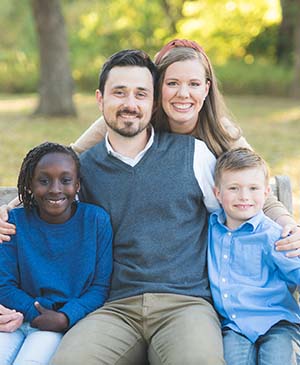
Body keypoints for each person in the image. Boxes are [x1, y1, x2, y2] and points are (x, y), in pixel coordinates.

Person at [49, 49, 226, 365]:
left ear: (154, 103)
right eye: (119, 92)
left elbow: (235, 217)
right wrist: (9, 210)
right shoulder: (81, 171)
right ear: (100, 100)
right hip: (114, 308)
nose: (130, 104)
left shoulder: (194, 155)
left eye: (141, 94)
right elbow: (43, 227)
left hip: (185, 306)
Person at [62, 39, 300, 255]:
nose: (183, 94)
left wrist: (286, 222)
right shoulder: (132, 117)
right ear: (157, 88)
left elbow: (255, 184)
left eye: (194, 84)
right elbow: (69, 158)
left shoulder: (221, 131)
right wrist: (26, 198)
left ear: (206, 89)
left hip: (201, 246)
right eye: (173, 83)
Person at [0, 142, 113, 365]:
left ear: (78, 184)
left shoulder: (96, 221)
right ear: (29, 185)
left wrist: (65, 317)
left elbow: (100, 287)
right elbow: (5, 284)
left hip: (61, 323)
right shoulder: (14, 223)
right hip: (16, 319)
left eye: (66, 180)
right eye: (44, 181)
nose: (55, 189)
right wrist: (34, 313)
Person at [208, 147, 300, 365]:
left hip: (278, 323)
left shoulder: (275, 235)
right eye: (233, 188)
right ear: (217, 193)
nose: (244, 197)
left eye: (253, 188)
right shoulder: (211, 230)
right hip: (234, 326)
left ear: (266, 193)